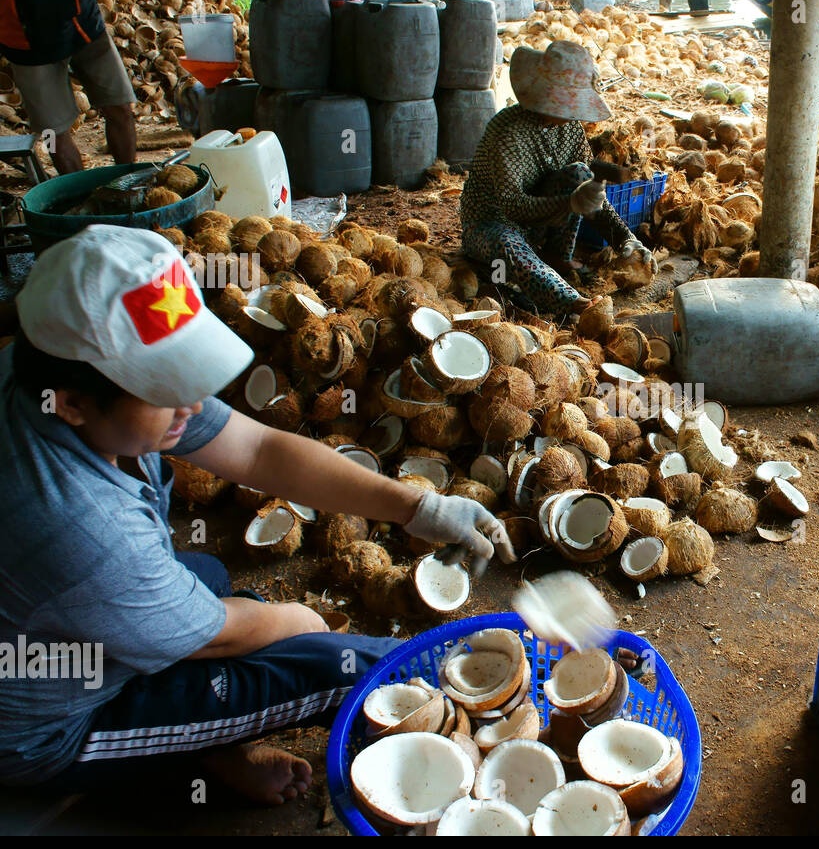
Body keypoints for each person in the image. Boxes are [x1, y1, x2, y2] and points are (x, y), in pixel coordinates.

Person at [0, 226, 514, 805]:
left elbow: (259, 450)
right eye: (164, 388)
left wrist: (417, 506)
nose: (191, 406)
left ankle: (200, 738)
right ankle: (189, 754)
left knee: (213, 579)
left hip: (78, 620)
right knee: (351, 669)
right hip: (48, 727)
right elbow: (213, 638)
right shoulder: (78, 525)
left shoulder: (59, 381)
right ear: (69, 403)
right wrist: (291, 619)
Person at [460, 40, 654, 317]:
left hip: (539, 224)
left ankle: (555, 256)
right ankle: (569, 301)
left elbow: (589, 194)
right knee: (505, 247)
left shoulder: (570, 130)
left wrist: (624, 238)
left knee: (580, 174)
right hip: (492, 224)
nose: (571, 114)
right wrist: (571, 203)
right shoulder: (506, 132)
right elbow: (512, 207)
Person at [0, 0, 137, 175]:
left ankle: (130, 183)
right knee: (52, 133)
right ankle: (80, 196)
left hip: (81, 19)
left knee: (120, 105)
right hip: (24, 39)